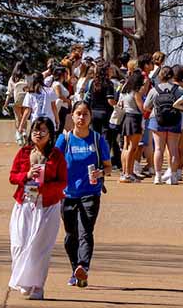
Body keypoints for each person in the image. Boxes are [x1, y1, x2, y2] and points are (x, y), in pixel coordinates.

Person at [8, 117, 68, 300]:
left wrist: (44, 188)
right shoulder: (24, 152)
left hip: (47, 206)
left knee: (39, 248)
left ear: (50, 135)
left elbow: (63, 182)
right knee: (19, 244)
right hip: (24, 203)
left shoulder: (56, 156)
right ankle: (23, 281)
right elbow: (12, 176)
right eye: (35, 129)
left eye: (42, 130)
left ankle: (37, 286)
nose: (38, 133)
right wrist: (25, 175)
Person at [55, 101, 111, 289]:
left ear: (90, 117)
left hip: (91, 193)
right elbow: (53, 162)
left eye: (85, 114)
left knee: (85, 232)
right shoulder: (65, 140)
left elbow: (108, 167)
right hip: (68, 193)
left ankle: (83, 266)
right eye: (78, 114)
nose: (81, 118)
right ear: (72, 116)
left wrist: (100, 173)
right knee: (71, 234)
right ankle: (75, 271)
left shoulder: (97, 139)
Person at [144, 66, 183, 185]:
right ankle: (172, 175)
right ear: (172, 76)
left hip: (157, 120)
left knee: (158, 148)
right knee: (173, 149)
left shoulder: (154, 89)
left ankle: (158, 176)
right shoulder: (178, 89)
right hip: (174, 120)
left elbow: (146, 106)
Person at [118, 71, 147, 183]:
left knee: (125, 147)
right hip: (135, 119)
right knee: (132, 148)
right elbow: (142, 108)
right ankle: (128, 173)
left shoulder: (125, 92)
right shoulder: (136, 93)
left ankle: (125, 172)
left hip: (126, 118)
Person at [7, 61, 30, 144]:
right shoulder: (28, 77)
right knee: (24, 117)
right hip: (26, 99)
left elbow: (9, 92)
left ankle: (19, 135)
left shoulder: (12, 78)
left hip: (17, 100)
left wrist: (6, 103)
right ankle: (24, 131)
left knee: (18, 117)